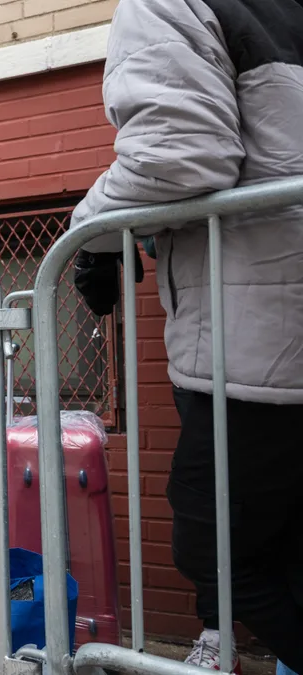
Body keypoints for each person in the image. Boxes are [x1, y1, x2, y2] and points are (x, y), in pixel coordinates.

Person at [70, 0, 303, 668]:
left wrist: (86, 231)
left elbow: (178, 158)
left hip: (256, 348)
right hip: (269, 333)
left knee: (215, 552)